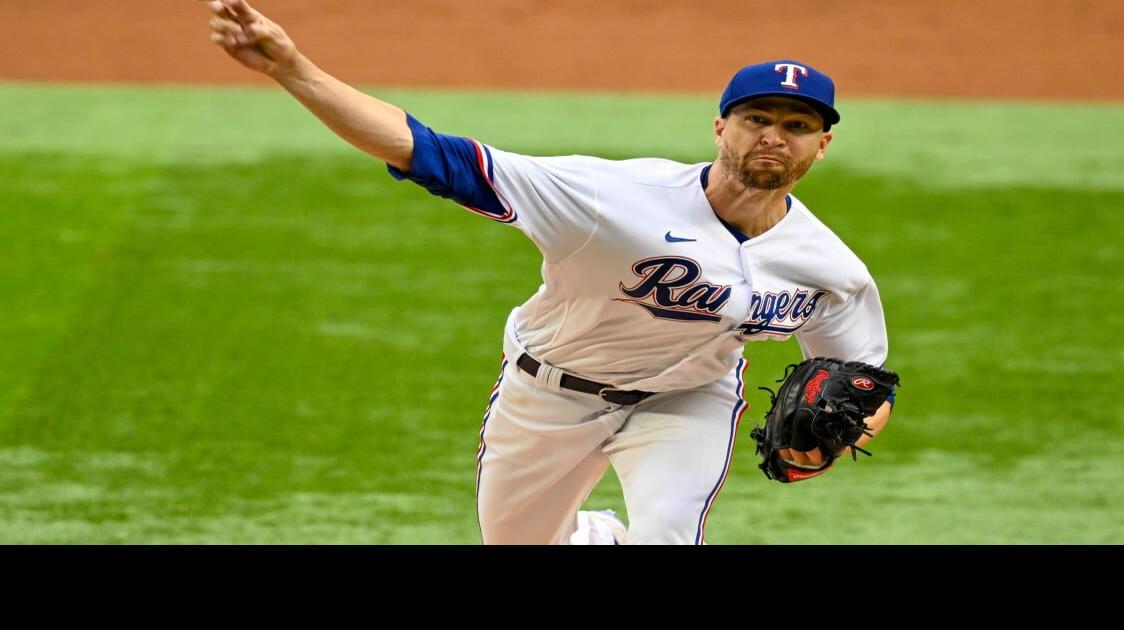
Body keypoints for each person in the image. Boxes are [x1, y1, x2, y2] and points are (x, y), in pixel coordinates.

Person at [203, 0, 894, 545]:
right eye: (757, 117)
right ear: (721, 129)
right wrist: (291, 69)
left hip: (686, 402)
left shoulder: (831, 269)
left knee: (666, 534)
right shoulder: (611, 201)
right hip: (549, 395)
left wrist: (837, 438)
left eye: (798, 125)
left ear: (822, 144)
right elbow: (429, 152)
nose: (775, 134)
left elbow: (862, 382)